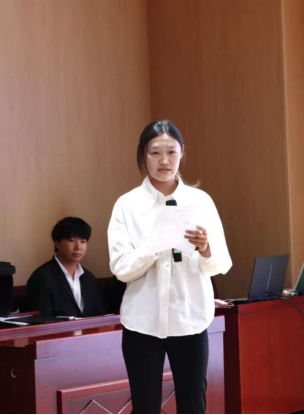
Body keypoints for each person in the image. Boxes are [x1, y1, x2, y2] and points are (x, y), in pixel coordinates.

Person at [108, 120, 232, 414]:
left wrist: (205, 248)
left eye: (171, 152)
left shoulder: (200, 201)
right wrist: (153, 246)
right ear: (143, 155)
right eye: (155, 153)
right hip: (142, 322)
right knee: (145, 407)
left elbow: (221, 263)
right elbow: (121, 268)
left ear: (182, 153)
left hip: (190, 319)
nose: (164, 161)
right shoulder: (127, 205)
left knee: (193, 405)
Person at [27, 217, 104, 318]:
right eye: (72, 240)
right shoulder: (41, 278)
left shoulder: (89, 278)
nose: (78, 247)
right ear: (57, 243)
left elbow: (99, 316)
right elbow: (42, 321)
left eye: (83, 241)